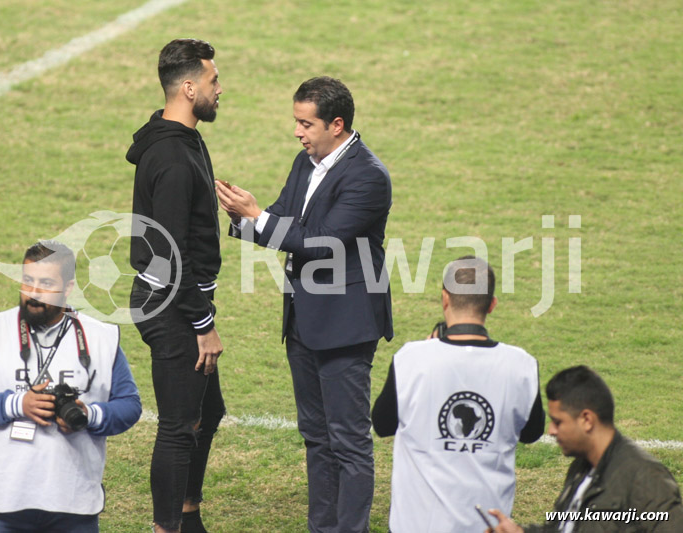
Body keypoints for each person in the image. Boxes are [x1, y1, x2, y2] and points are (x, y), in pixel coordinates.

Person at [216, 76, 393, 533]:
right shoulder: (306, 161)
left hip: (346, 325)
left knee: (348, 441)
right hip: (303, 321)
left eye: (305, 123)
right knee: (316, 437)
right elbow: (285, 216)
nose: (297, 132)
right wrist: (241, 216)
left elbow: (324, 243)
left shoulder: (368, 176)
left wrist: (259, 218)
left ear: (337, 125)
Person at [0, 240, 142, 533]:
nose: (34, 293)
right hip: (4, 501)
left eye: (46, 283)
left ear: (69, 288)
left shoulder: (101, 337)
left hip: (73, 502)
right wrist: (17, 404)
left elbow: (129, 405)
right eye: (27, 281)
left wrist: (89, 415)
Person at [126, 38, 225, 533]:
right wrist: (203, 324)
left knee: (209, 411)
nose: (219, 89)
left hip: (180, 297)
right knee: (179, 424)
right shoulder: (170, 155)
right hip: (170, 303)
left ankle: (188, 515)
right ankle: (168, 527)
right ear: (188, 87)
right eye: (212, 81)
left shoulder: (182, 139)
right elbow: (169, 256)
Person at [370, 255, 544, 532]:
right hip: (486, 525)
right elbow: (532, 433)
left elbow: (382, 424)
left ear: (445, 299)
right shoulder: (521, 365)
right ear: (492, 304)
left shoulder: (411, 358)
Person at [488, 365, 683, 533]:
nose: (551, 431)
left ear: (586, 420)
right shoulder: (582, 467)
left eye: (558, 422)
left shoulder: (645, 478)